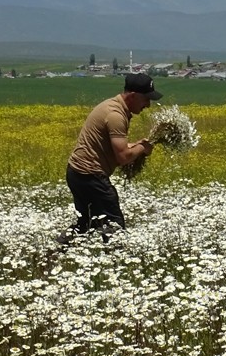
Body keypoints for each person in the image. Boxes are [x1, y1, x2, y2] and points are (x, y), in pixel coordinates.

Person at [59, 72, 162, 244]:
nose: (148, 105)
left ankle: (55, 252)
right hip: (90, 175)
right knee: (114, 225)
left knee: (86, 223)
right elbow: (122, 157)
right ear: (133, 96)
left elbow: (113, 147)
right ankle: (115, 262)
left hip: (77, 173)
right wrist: (142, 148)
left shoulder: (111, 106)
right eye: (146, 99)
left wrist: (135, 146)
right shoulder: (115, 115)